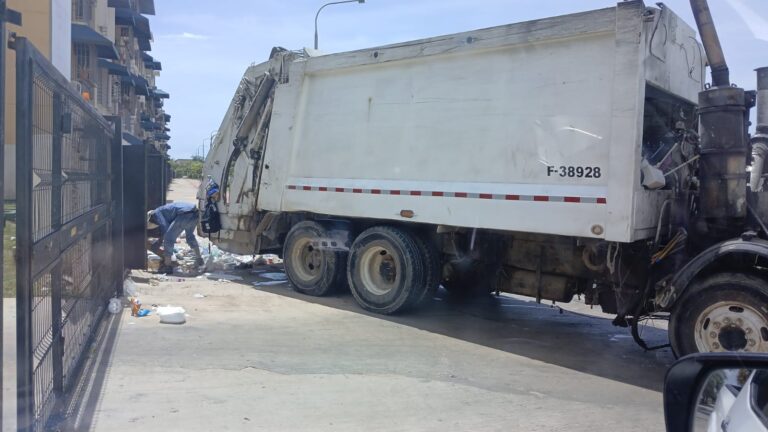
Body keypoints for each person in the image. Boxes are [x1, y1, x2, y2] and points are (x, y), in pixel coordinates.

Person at [147, 202, 203, 274]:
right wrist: (160, 240)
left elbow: (166, 229)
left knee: (168, 239)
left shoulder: (156, 214)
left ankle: (167, 266)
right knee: (190, 237)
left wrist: (158, 242)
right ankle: (199, 260)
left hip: (184, 214)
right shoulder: (165, 211)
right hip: (195, 213)